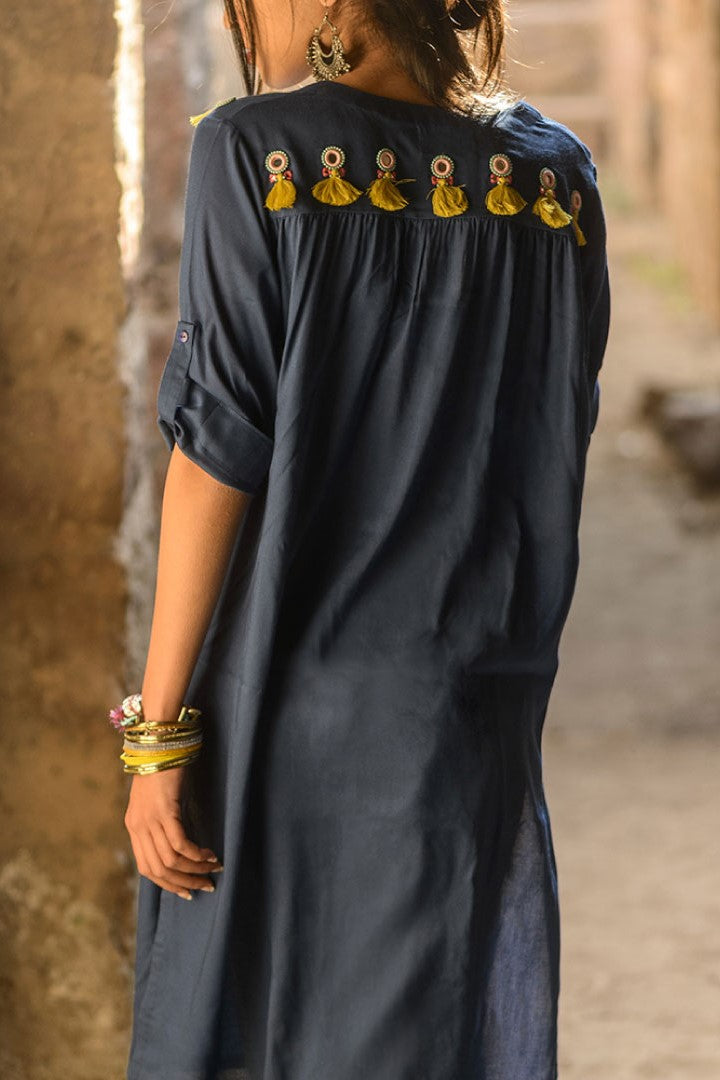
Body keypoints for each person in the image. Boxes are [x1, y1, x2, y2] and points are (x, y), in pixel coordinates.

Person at [120, 0, 611, 1076]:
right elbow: (556, 427)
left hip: (290, 706)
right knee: (424, 1034)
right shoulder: (556, 178)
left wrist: (157, 737)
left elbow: (216, 458)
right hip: (475, 696)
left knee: (259, 1032)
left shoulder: (256, 150)